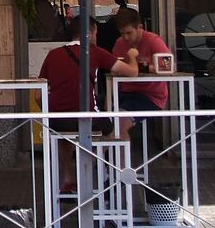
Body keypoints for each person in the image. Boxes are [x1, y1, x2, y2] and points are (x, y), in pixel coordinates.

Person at [38, 19, 139, 193]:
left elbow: (38, 95)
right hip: (88, 118)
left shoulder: (52, 54)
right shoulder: (94, 52)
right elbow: (132, 72)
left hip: (57, 120)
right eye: (95, 33)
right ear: (89, 33)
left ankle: (68, 178)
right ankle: (87, 166)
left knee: (62, 134)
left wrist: (51, 113)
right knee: (113, 130)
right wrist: (133, 56)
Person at [111, 7, 172, 139]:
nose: (125, 37)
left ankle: (102, 152)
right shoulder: (119, 43)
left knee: (121, 122)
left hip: (150, 95)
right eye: (122, 33)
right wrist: (108, 98)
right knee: (97, 116)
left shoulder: (153, 41)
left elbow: (169, 65)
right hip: (123, 92)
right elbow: (113, 68)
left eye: (129, 33)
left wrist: (140, 67)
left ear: (140, 27)